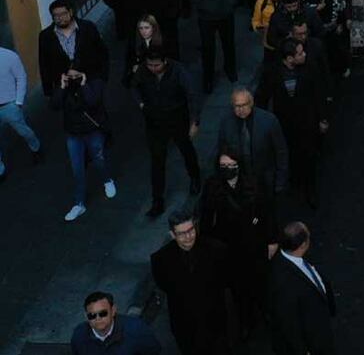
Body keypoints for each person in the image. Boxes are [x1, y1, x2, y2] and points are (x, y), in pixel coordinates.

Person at [199, 151, 277, 339]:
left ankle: (267, 314)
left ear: (239, 164)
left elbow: (268, 211)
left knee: (261, 283)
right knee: (239, 290)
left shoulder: (255, 182)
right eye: (223, 165)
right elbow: (207, 219)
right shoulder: (212, 187)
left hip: (255, 244)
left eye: (231, 164)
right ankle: (246, 321)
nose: (227, 169)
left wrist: (273, 240)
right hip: (230, 249)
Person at [256, 39, 329, 208]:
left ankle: (310, 189)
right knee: (289, 153)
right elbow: (262, 97)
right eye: (300, 53)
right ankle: (295, 181)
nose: (304, 55)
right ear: (289, 59)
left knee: (309, 155)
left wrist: (322, 118)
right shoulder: (273, 73)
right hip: (284, 123)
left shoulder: (309, 68)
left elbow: (319, 94)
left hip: (307, 121)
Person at [132, 49, 202, 218]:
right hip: (155, 121)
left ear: (165, 62)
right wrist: (141, 104)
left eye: (156, 65)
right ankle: (157, 201)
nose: (153, 68)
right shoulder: (143, 71)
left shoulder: (178, 71)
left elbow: (192, 95)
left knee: (186, 149)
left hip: (177, 117)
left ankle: (195, 177)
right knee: (157, 161)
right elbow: (134, 86)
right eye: (150, 65)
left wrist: (194, 122)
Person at [150, 210, 230, 354]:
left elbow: (225, 279)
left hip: (214, 320)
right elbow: (164, 285)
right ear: (172, 235)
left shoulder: (216, 249)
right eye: (181, 233)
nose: (188, 237)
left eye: (191, 230)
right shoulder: (160, 259)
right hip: (184, 323)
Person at [50, 68, 115, 221]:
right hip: (73, 134)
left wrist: (84, 85)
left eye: (76, 76)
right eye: (70, 76)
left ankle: (107, 180)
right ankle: (79, 203)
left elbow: (93, 102)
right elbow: (54, 105)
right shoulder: (64, 88)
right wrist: (61, 87)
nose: (73, 79)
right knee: (77, 168)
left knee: (98, 159)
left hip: (92, 131)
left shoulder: (94, 84)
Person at [270, 221, 336, 355]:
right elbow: (288, 324)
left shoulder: (290, 259)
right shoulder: (284, 283)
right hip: (312, 344)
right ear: (303, 245)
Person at [216, 88, 289, 198]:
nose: (241, 109)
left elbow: (281, 151)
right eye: (237, 106)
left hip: (264, 178)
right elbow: (222, 150)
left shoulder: (269, 120)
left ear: (251, 103)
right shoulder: (226, 123)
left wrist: (280, 180)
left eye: (244, 105)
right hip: (239, 178)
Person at [188, 0, 239, 93]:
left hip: (226, 14)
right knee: (208, 49)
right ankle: (208, 78)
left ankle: (231, 70)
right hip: (207, 18)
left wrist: (231, 3)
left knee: (229, 44)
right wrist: (205, 7)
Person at [38, 0, 109, 97]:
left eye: (63, 14)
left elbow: (102, 52)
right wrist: (49, 91)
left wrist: (103, 77)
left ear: (70, 12)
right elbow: (44, 63)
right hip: (65, 84)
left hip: (90, 78)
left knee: (95, 107)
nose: (60, 18)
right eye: (56, 15)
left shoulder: (87, 27)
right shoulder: (46, 36)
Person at [71, 291, 161, 354]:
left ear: (113, 310)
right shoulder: (79, 335)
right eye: (92, 315)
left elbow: (153, 350)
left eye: (103, 313)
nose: (98, 318)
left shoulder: (137, 330)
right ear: (86, 317)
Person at [0, 46, 42, 181]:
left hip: (10, 105)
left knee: (24, 131)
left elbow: (21, 77)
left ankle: (36, 148)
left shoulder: (9, 56)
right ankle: (0, 171)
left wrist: (18, 101)